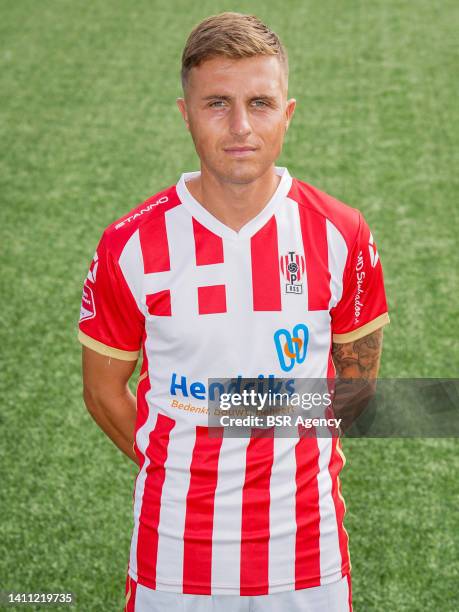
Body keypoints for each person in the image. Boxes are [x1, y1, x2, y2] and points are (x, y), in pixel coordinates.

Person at [78, 12, 390, 612]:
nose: (241, 126)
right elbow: (102, 393)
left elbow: (357, 385)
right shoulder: (130, 245)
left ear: (288, 112)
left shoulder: (341, 234)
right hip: (174, 550)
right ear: (186, 113)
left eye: (261, 103)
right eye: (217, 103)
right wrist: (184, 469)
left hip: (307, 551)